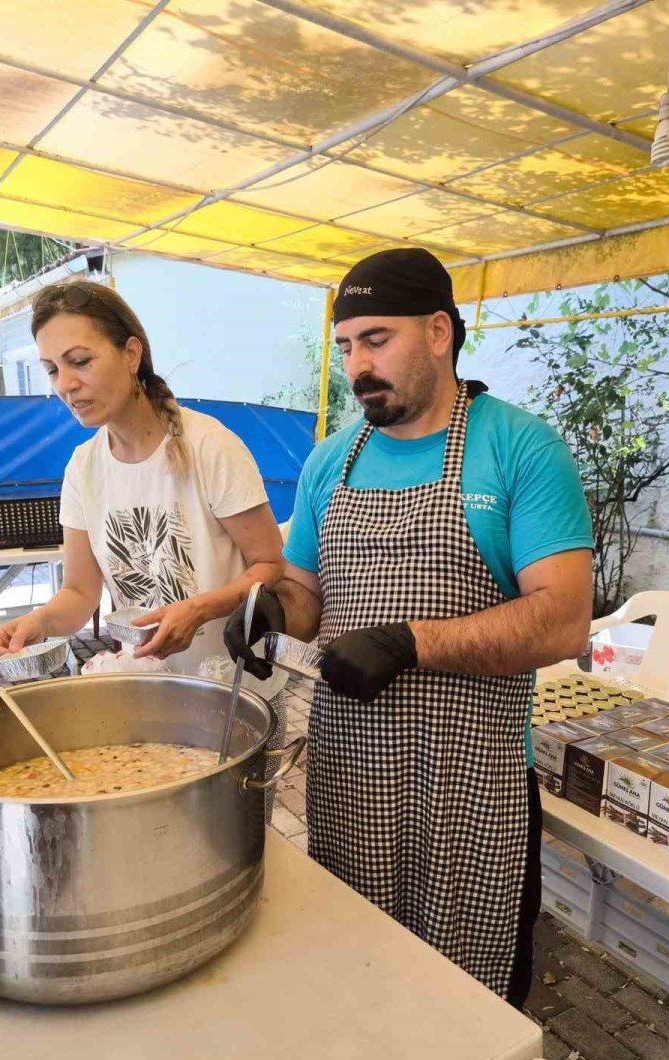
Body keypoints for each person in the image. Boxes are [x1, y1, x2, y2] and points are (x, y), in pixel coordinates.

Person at [225, 248, 593, 1005]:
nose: (357, 366)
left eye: (376, 340)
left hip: (472, 780)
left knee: (467, 1002)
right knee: (360, 984)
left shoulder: (519, 447)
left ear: (437, 332)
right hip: (348, 771)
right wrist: (267, 610)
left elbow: (562, 621)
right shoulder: (332, 460)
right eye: (346, 347)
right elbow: (305, 591)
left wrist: (412, 642)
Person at [0, 281, 286, 753]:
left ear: (131, 353)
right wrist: (37, 624)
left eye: (80, 361)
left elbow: (271, 567)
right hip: (144, 698)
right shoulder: (83, 468)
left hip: (234, 695)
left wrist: (199, 609)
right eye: (51, 369)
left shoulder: (210, 446)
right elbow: (80, 592)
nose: (65, 384)